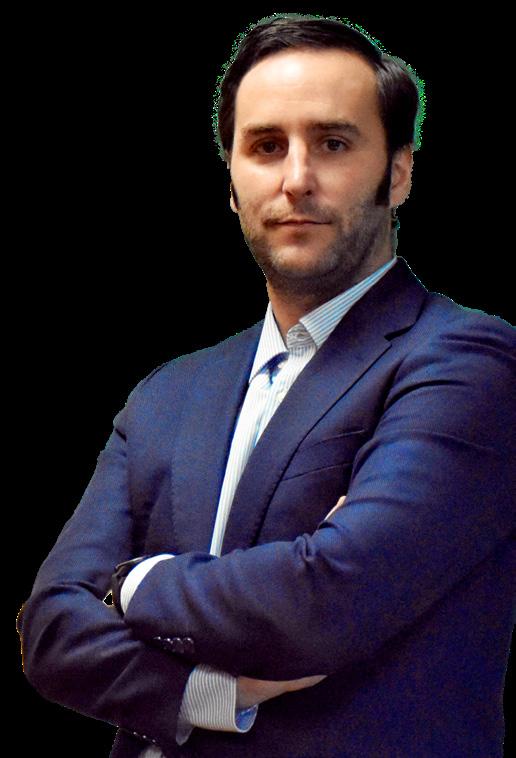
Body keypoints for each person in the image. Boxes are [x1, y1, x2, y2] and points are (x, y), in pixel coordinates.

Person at [16, 13, 515, 758]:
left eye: (334, 143)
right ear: (232, 181)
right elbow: (52, 631)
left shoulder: (465, 362)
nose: (295, 179)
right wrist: (209, 695)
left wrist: (132, 585)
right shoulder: (167, 394)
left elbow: (327, 600)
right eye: (266, 146)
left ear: (399, 173)